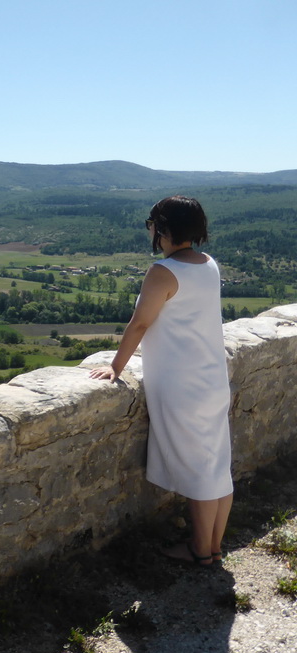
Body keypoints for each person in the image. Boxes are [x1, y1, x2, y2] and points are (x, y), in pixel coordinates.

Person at [89, 195, 233, 567]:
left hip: (180, 383)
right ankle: (214, 545)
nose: (150, 229)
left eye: (152, 223)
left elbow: (140, 322)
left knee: (198, 467)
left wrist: (116, 367)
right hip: (212, 377)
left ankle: (201, 551)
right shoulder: (208, 264)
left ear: (164, 228)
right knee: (216, 463)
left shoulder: (163, 271)